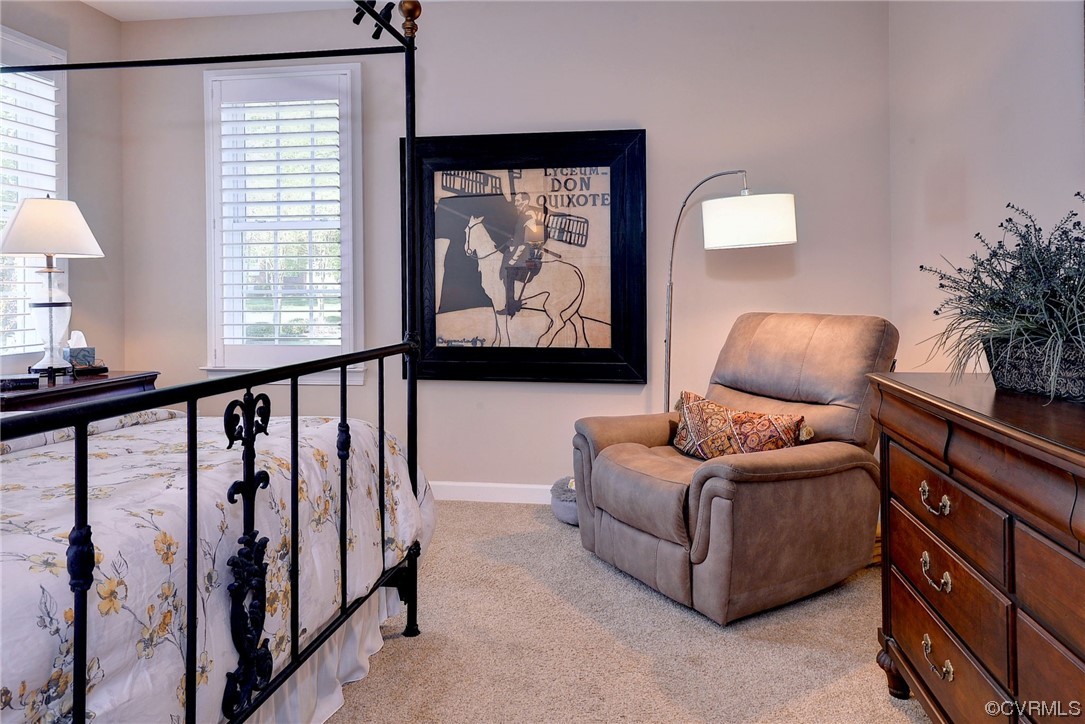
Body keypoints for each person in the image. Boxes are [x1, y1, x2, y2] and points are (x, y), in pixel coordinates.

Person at [499, 193, 546, 316]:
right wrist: (512, 242)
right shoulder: (522, 215)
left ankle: (511, 308)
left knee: (508, 272)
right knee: (506, 262)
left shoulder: (529, 216)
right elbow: (519, 238)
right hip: (525, 254)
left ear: (525, 202)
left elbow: (531, 242)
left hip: (530, 260)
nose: (515, 203)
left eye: (518, 201)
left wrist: (513, 260)